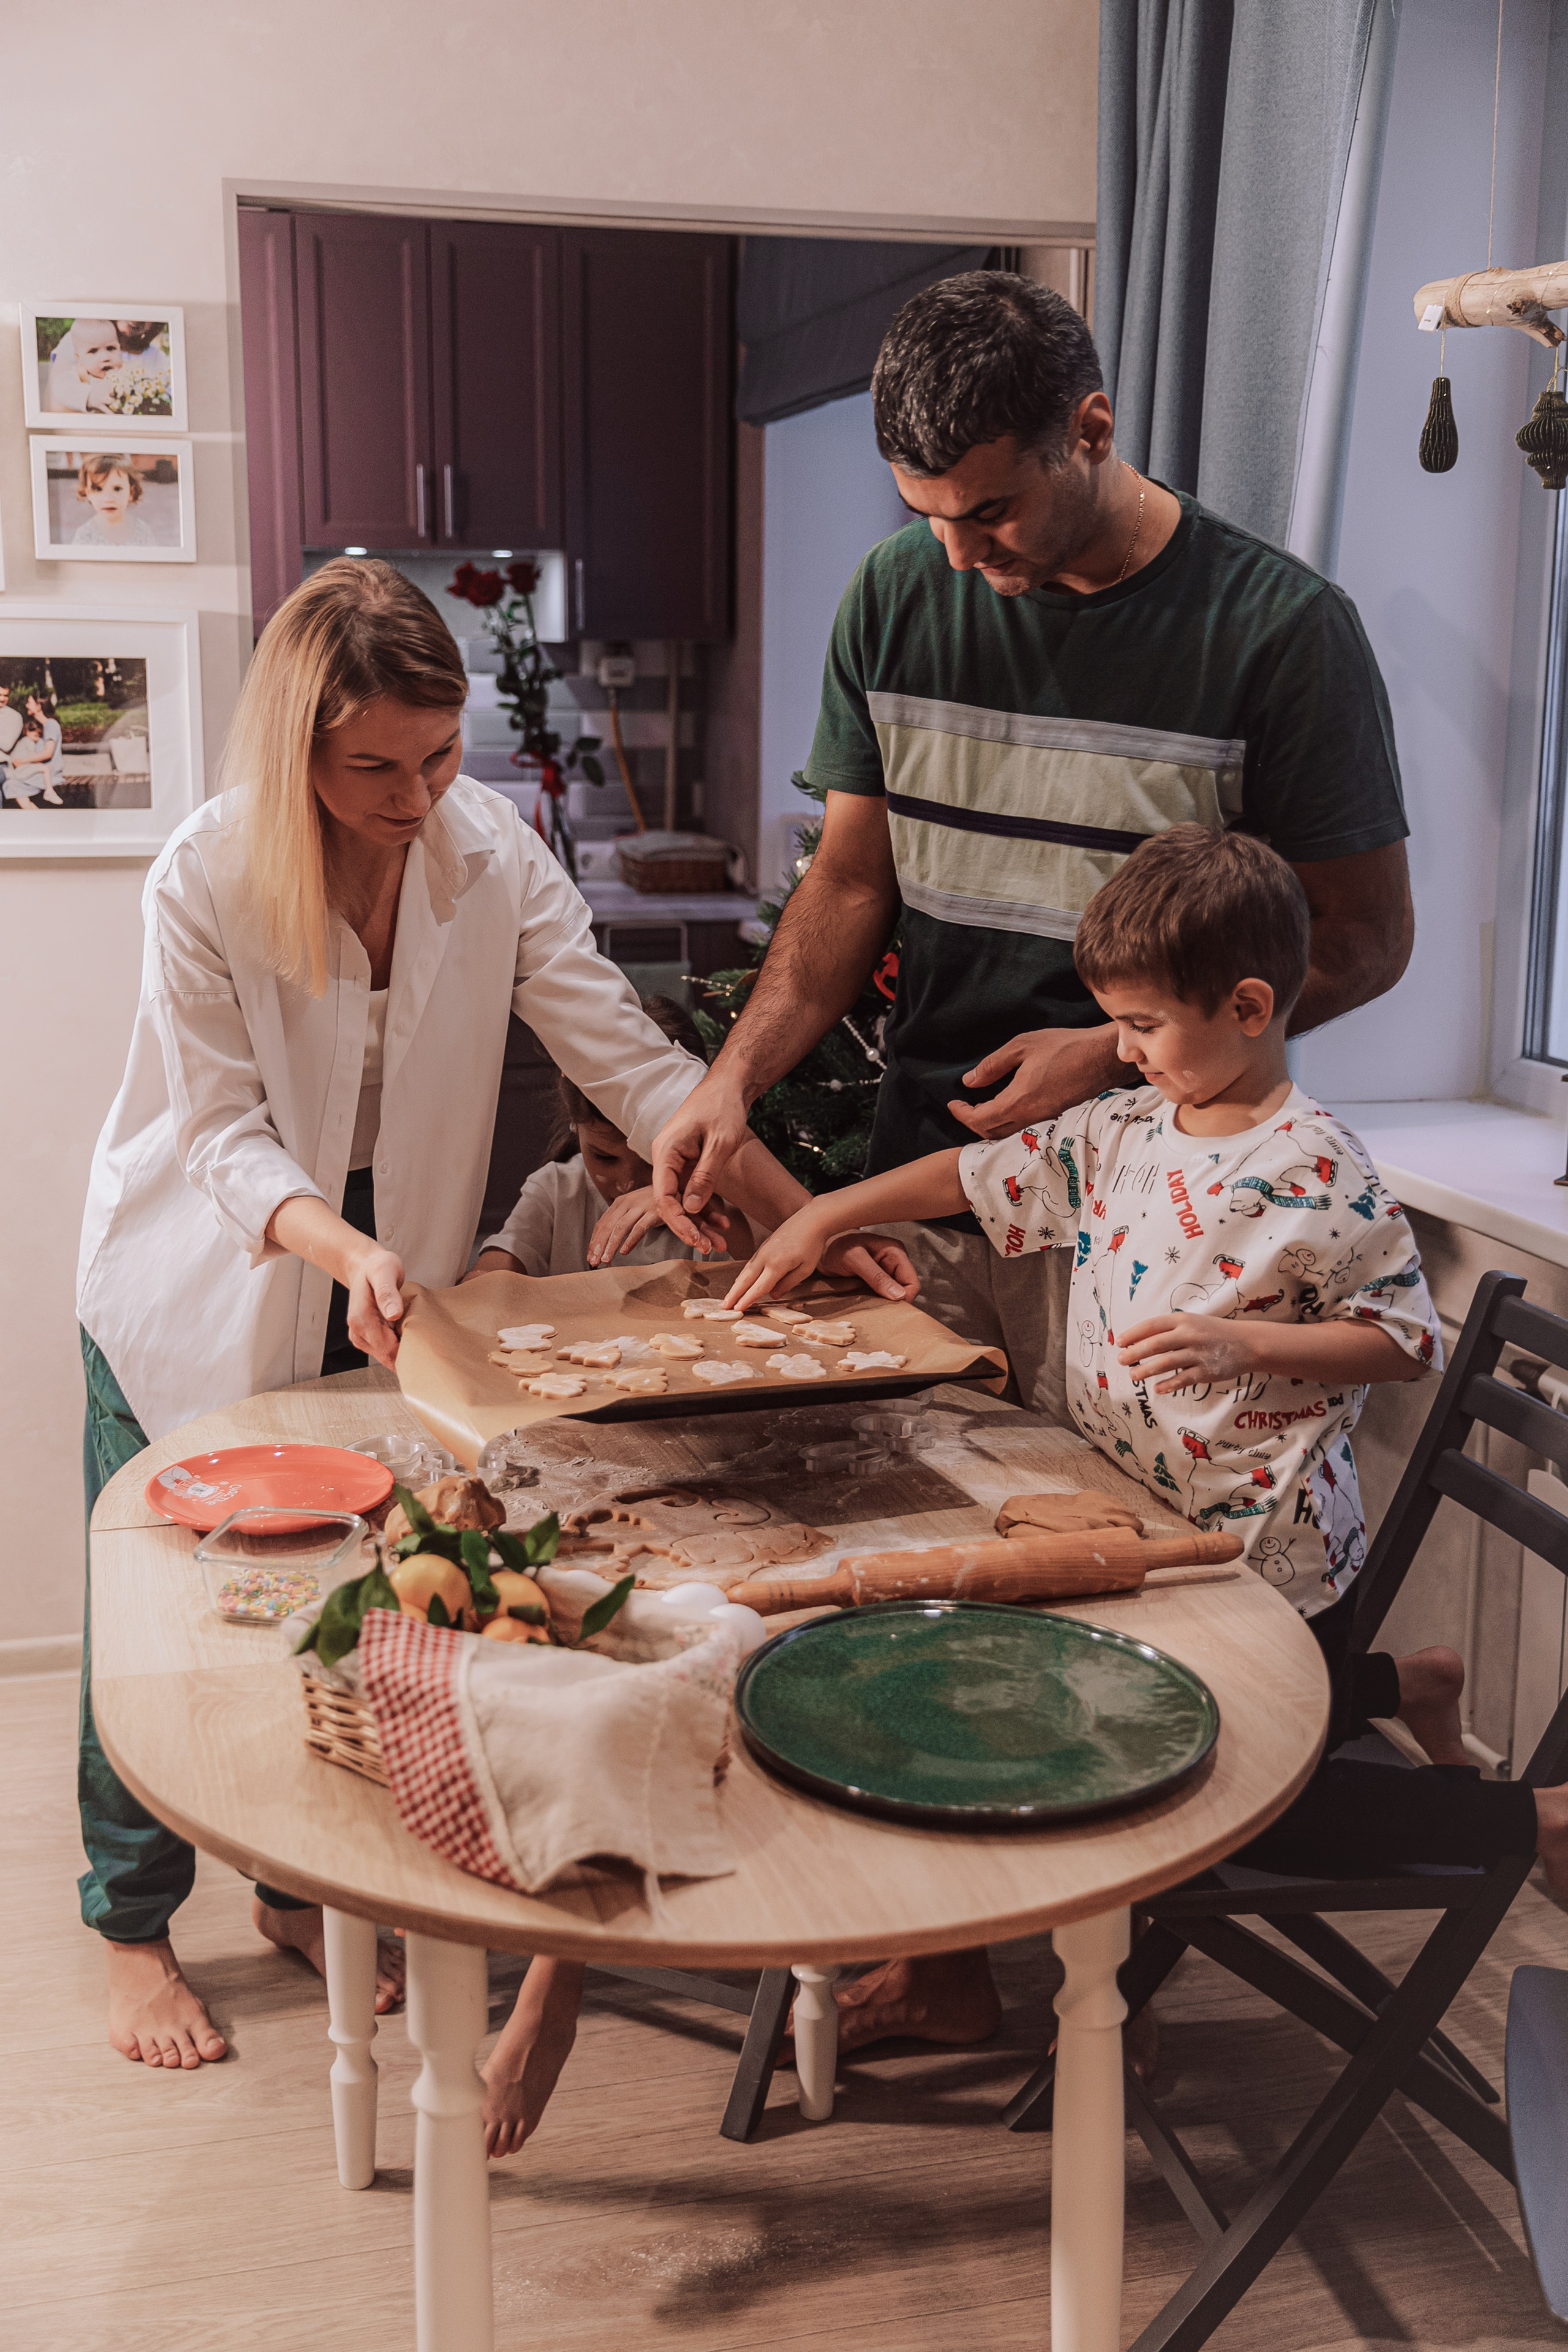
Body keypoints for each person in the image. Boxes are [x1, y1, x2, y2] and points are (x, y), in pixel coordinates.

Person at [77, 558, 913, 2094]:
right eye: (372, 767)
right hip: (204, 1274)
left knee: (356, 1586)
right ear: (298, 750)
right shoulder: (205, 875)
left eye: (437, 755)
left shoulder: (488, 849)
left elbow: (632, 1063)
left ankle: (292, 1891)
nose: (415, 797)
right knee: (164, 1620)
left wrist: (809, 1221)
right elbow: (219, 1136)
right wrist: (346, 1250)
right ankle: (129, 1921)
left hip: (383, 1271)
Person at [725, 829, 1561, 2055]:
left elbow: (1401, 1343)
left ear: (1247, 1008)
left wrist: (1246, 1344)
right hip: (1152, 1534)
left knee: (1245, 1810)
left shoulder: (1315, 1167)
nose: (1119, 1048)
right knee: (1131, 1719)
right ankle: (1403, 1684)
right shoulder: (1131, 1126)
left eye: (1141, 1024)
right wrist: (827, 1215)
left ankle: (1532, 1822)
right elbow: (976, 1173)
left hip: (1265, 1560)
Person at [652, 271, 1414, 1428]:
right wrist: (732, 1080)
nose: (958, 554)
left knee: (1112, 1526)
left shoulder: (1282, 631)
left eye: (991, 511)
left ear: (1090, 431)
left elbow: (1365, 939)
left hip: (1154, 1220)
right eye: (927, 514)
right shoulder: (896, 596)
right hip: (921, 1195)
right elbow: (849, 884)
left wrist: (1111, 1052)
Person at [469, 996, 753, 1280]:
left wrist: (696, 1205)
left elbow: (755, 1258)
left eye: (651, 1159)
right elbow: (493, 1272)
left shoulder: (727, 1202)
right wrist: (484, 1281)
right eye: (604, 1157)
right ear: (575, 1125)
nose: (627, 1183)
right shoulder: (557, 1191)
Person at [71, 453, 157, 548]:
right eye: (98, 489)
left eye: (117, 489)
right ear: (87, 493)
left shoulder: (142, 532)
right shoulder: (85, 536)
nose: (109, 499)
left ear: (131, 492)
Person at [44, 318, 125, 413]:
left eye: (111, 348)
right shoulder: (80, 374)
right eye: (93, 351)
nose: (105, 358)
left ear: (119, 348)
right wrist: (89, 397)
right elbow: (60, 388)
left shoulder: (126, 371)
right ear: (79, 357)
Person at [6, 713, 64, 806]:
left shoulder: (25, 741)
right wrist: (41, 763)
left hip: (22, 768)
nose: (37, 738)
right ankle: (49, 791)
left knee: (44, 769)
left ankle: (46, 795)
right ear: (28, 732)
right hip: (20, 770)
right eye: (35, 735)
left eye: (39, 736)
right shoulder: (28, 742)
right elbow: (33, 757)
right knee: (45, 768)